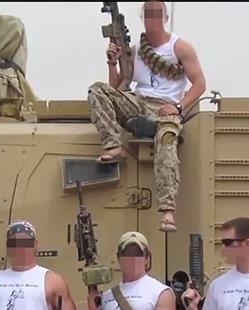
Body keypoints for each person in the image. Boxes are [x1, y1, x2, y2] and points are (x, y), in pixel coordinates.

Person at [86, 0, 206, 233]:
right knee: (97, 91)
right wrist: (112, 62)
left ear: (165, 18)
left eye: (157, 13)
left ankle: (168, 210)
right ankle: (114, 146)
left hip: (165, 108)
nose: (152, 18)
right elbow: (117, 87)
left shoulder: (180, 48)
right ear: (142, 18)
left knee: (167, 141)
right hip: (139, 103)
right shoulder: (136, 50)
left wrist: (179, 107)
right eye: (148, 14)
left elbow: (200, 84)